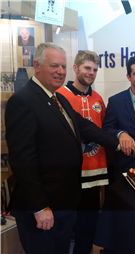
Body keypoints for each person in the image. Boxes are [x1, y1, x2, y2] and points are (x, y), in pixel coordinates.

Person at [5, 42, 120, 254]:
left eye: (63, 67)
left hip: (64, 203)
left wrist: (119, 141)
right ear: (36, 65)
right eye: (54, 66)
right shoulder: (23, 101)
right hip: (43, 207)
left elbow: (85, 127)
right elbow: (23, 161)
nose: (60, 72)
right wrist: (40, 207)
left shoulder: (57, 98)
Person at [57, 50, 107, 254]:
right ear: (75, 68)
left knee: (88, 228)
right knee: (63, 227)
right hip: (68, 174)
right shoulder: (60, 95)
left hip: (94, 174)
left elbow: (104, 131)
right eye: (87, 68)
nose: (91, 73)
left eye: (95, 69)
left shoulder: (98, 98)